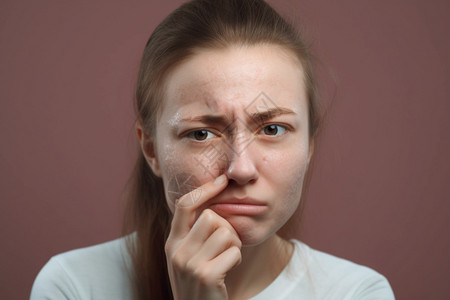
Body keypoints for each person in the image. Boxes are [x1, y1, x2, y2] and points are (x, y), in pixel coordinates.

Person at [30, 0, 395, 299]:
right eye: (202, 133)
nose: (240, 168)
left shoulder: (357, 292)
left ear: (309, 144)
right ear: (152, 150)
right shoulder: (73, 286)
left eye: (272, 128)